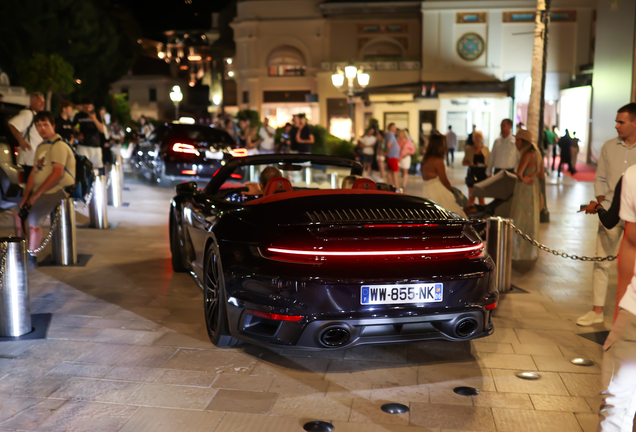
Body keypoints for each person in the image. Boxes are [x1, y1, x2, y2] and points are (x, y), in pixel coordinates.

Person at [577, 103, 636, 326]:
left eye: (621, 121)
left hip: (634, 216)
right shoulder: (609, 146)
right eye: (616, 121)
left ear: (635, 122)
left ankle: (628, 312)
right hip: (610, 211)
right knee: (601, 260)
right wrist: (601, 202)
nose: (616, 125)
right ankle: (597, 310)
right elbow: (600, 178)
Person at [597, 165, 636, 431]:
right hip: (634, 311)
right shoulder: (633, 176)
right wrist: (623, 302)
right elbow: (631, 241)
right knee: (614, 402)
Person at [15, 111, 75, 269]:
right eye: (38, 125)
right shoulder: (41, 147)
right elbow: (34, 174)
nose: (42, 128)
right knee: (18, 212)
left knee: (33, 218)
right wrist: (25, 197)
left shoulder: (59, 145)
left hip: (60, 188)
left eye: (45, 125)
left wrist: (36, 195)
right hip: (42, 190)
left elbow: (57, 174)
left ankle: (31, 256)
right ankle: (19, 250)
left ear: (53, 126)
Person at [509, 129, 545, 261]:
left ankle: (518, 252)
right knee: (531, 220)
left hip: (524, 189)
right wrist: (532, 174)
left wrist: (524, 177)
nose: (515, 143)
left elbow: (519, 173)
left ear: (524, 142)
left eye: (517, 140)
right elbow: (541, 174)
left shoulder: (526, 154)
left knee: (520, 218)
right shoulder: (537, 153)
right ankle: (530, 251)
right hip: (533, 189)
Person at [420, 133, 466, 217]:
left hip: (427, 190)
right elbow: (444, 179)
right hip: (438, 191)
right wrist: (452, 191)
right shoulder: (437, 160)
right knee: (453, 213)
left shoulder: (425, 159)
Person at [8, 92, 45, 180]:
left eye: (43, 101)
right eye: (39, 101)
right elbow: (12, 124)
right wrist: (21, 141)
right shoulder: (28, 114)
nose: (43, 104)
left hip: (33, 160)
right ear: (32, 102)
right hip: (28, 159)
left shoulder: (35, 115)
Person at [73, 97, 104, 172]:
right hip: (83, 145)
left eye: (89, 107)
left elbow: (102, 130)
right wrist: (76, 136)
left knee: (96, 169)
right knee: (83, 167)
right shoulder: (78, 116)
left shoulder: (96, 115)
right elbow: (73, 127)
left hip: (95, 145)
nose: (87, 109)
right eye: (85, 107)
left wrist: (94, 119)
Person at [463, 131, 489, 212]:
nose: (477, 138)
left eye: (479, 136)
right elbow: (464, 162)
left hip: (482, 174)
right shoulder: (469, 149)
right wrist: (470, 164)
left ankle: (482, 214)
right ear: (473, 138)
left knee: (481, 197)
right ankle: (469, 214)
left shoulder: (485, 149)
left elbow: (489, 162)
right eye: (476, 136)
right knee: (471, 196)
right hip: (472, 173)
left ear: (481, 137)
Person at [384, 123, 400, 189]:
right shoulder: (390, 135)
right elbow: (389, 145)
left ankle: (389, 185)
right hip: (392, 156)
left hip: (391, 156)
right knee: (395, 172)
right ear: (390, 128)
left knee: (390, 171)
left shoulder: (390, 135)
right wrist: (386, 152)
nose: (395, 128)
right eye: (394, 127)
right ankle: (396, 186)